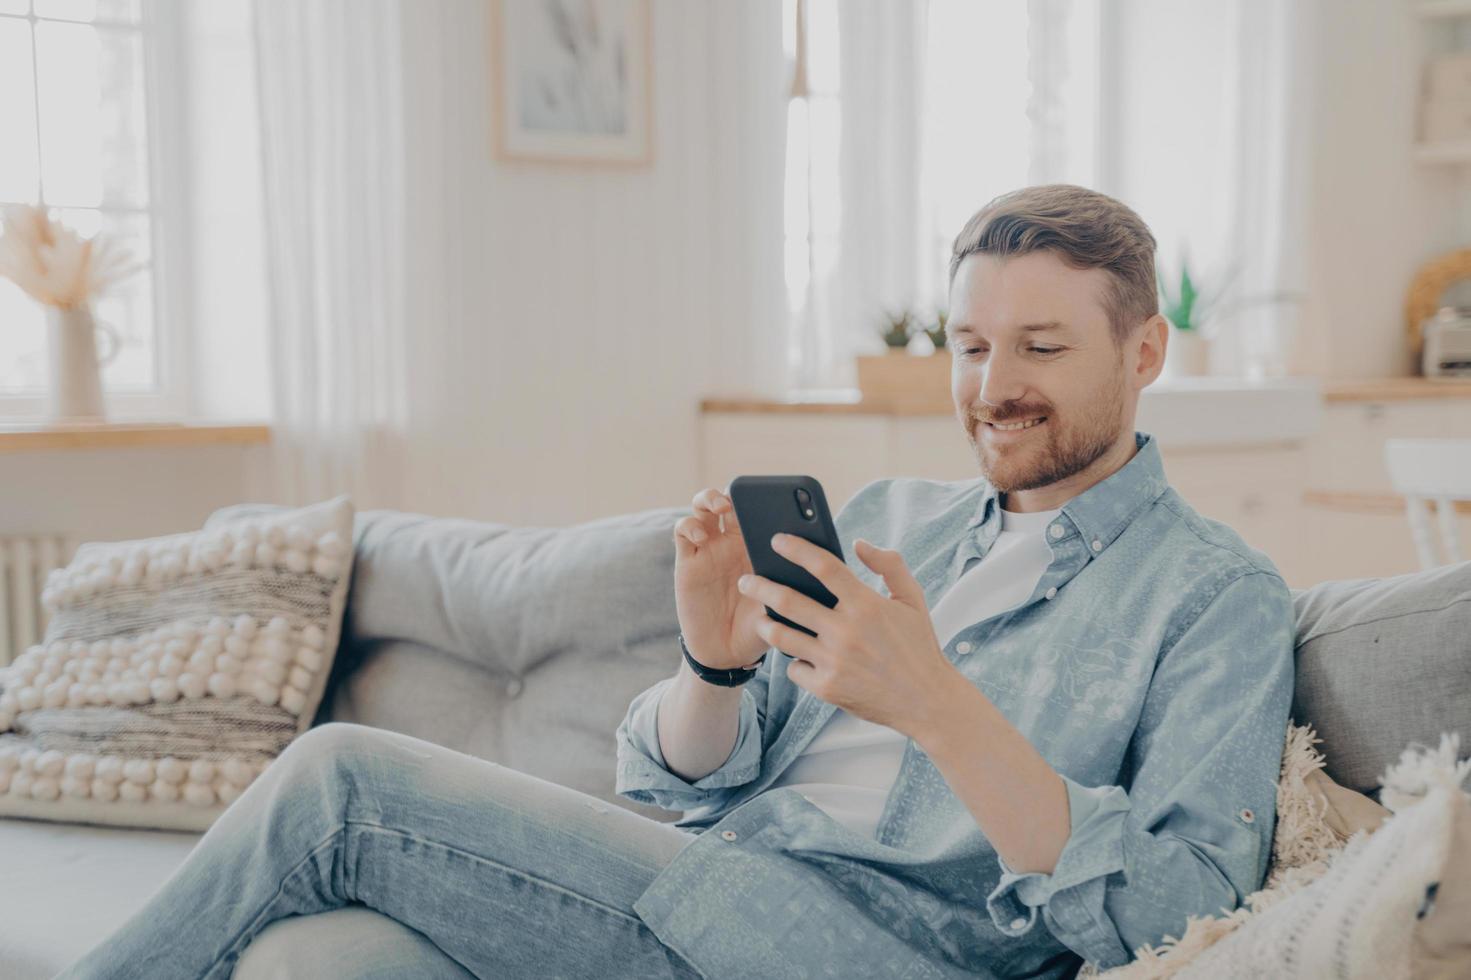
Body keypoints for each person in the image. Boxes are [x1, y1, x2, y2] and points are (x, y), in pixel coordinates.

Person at [56, 183, 1292, 980]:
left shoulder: (1213, 596)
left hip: (875, 945)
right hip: (711, 881)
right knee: (328, 958)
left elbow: (1180, 910)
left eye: (1041, 346)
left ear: (1143, 351)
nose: (991, 384)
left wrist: (935, 705)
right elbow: (677, 777)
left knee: (338, 781)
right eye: (970, 346)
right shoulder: (892, 519)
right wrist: (712, 663)